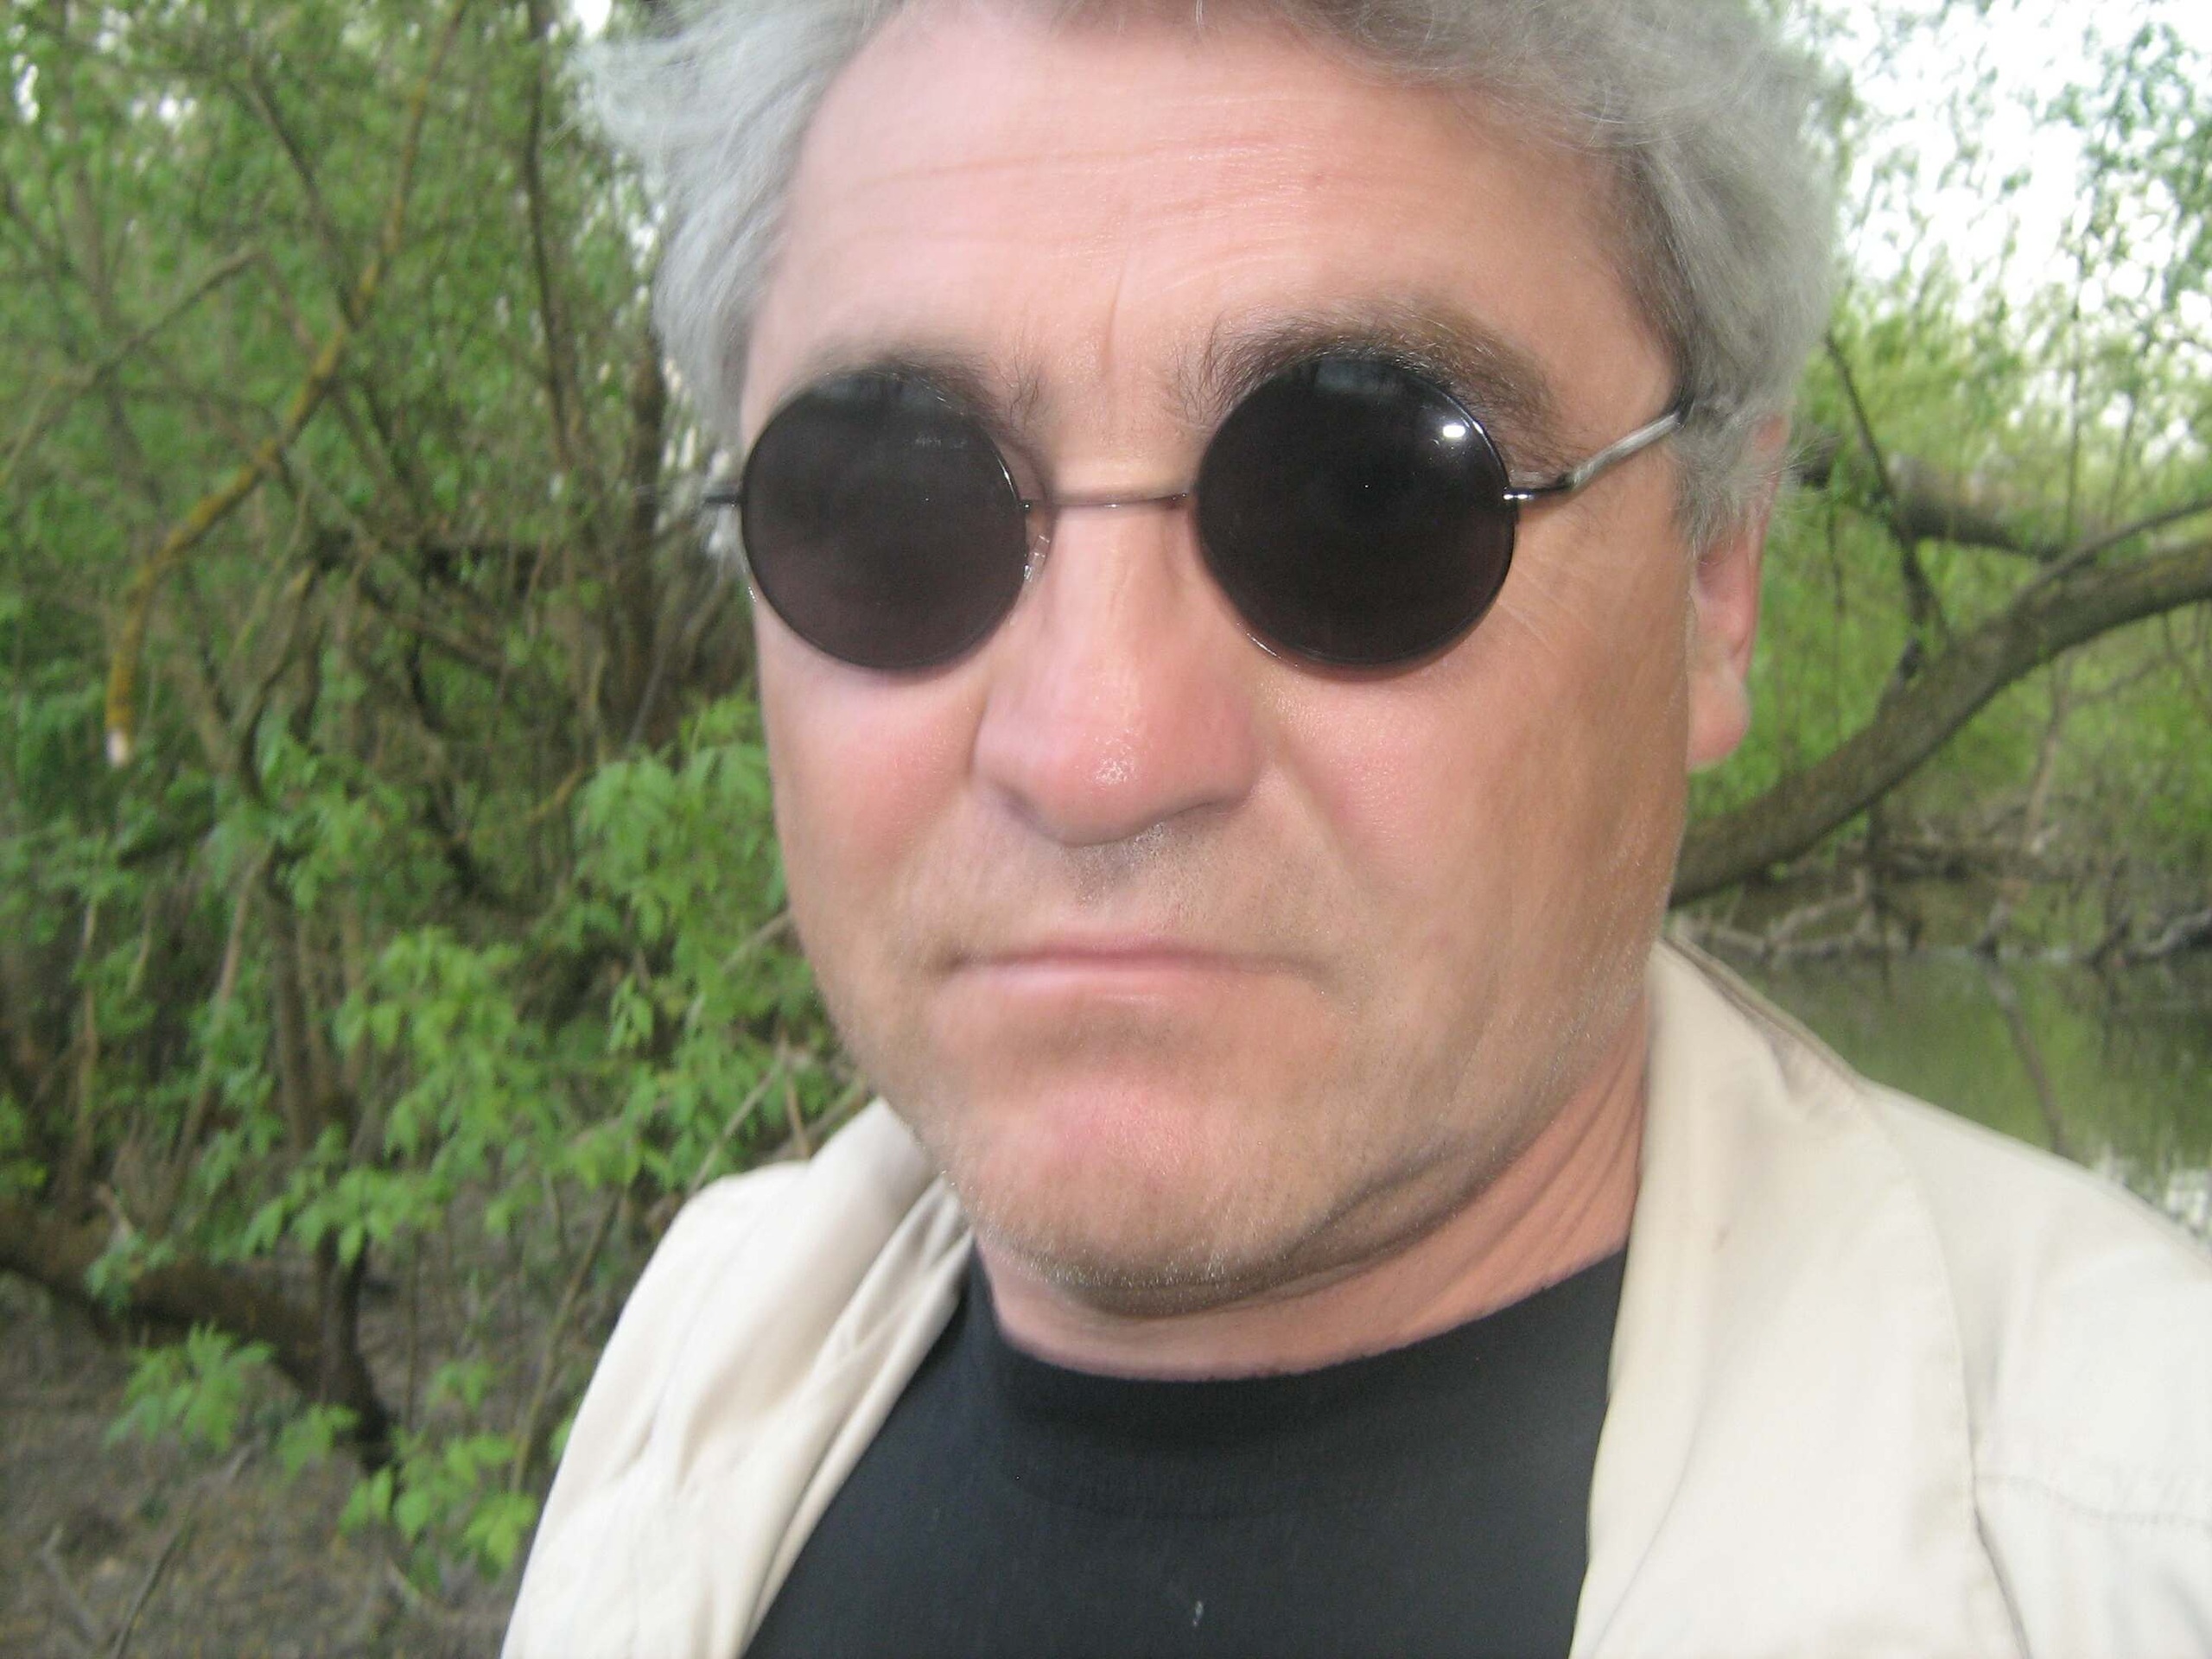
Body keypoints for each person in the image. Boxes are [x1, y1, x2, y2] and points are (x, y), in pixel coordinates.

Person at [505, 0, 2212, 1652]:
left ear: (1712, 581)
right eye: (897, 502)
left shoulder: (2139, 1546)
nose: (1098, 754)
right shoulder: (695, 1362)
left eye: (1363, 497)